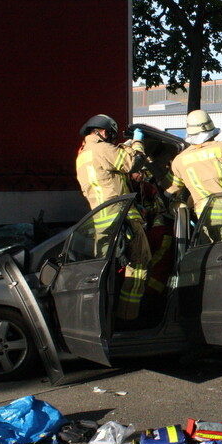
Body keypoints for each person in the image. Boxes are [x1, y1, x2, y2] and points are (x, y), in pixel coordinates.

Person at [75, 114, 151, 323]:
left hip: (101, 221)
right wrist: (137, 142)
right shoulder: (103, 149)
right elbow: (134, 163)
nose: (111, 139)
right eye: (111, 134)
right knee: (140, 262)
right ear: (103, 131)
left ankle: (101, 317)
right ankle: (129, 315)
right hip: (122, 217)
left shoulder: (83, 155)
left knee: (104, 270)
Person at [164, 109, 222, 217]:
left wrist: (166, 196)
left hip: (205, 218)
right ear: (211, 129)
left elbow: (173, 188)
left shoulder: (179, 160)